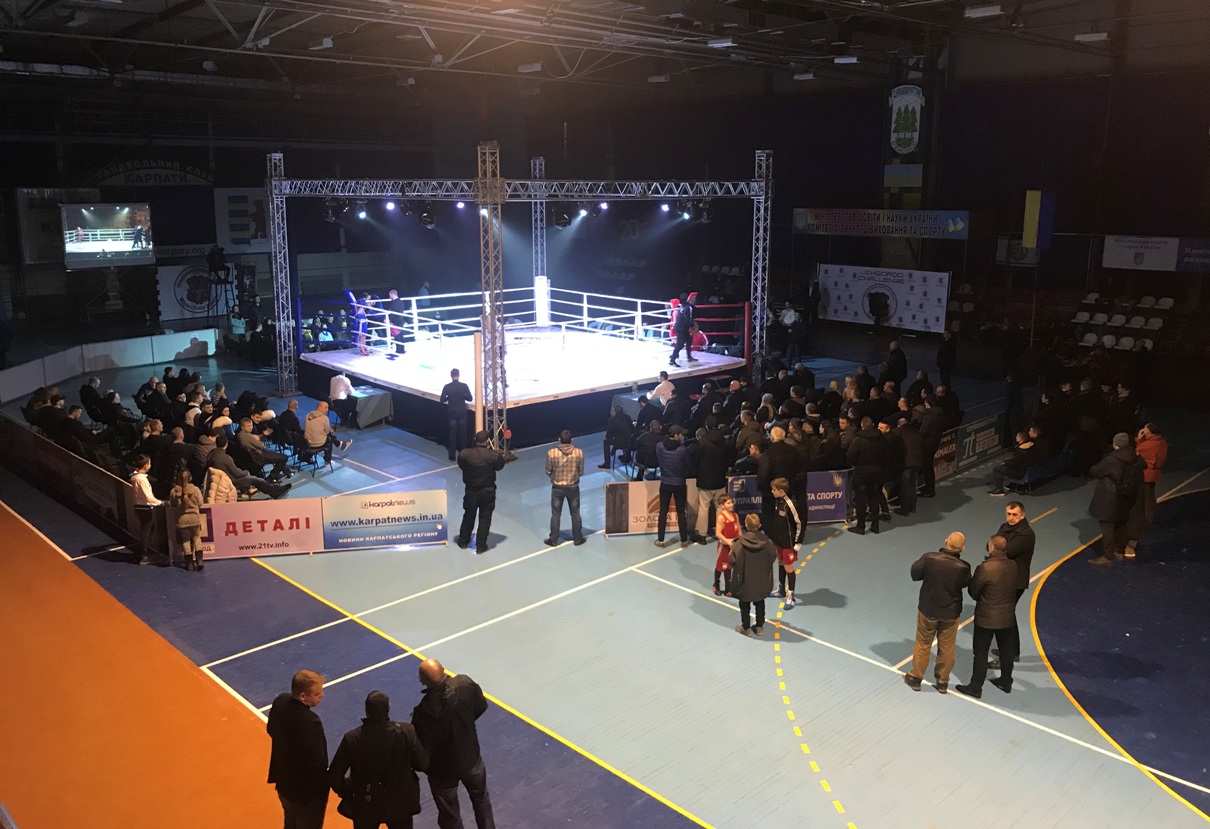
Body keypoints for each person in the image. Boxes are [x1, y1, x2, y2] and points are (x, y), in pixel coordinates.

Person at [411, 659, 496, 829]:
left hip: (442, 772)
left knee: (450, 816)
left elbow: (422, 748)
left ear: (421, 680)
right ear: (443, 670)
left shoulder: (422, 713)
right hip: (470, 759)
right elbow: (480, 706)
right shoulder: (465, 685)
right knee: (481, 801)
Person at [328, 691, 428, 829]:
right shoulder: (406, 731)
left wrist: (349, 793)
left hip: (366, 803)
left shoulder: (352, 738)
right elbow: (422, 764)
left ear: (366, 710)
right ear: (389, 707)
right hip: (400, 803)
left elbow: (334, 776)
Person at [904, 532, 971, 694]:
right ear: (963, 548)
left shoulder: (930, 558)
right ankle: (942, 681)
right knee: (947, 647)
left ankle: (916, 678)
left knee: (923, 643)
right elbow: (965, 584)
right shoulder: (964, 567)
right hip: (951, 612)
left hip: (928, 609)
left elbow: (915, 574)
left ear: (946, 541)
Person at [955, 536, 1019, 699]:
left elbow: (973, 591)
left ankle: (976, 687)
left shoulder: (985, 568)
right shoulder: (1013, 565)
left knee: (981, 652)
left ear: (991, 547)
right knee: (1006, 650)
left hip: (986, 618)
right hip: (1007, 616)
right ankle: (1006, 681)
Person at [267, 669, 329, 829]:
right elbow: (317, 761)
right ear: (303, 696)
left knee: (290, 822)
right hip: (306, 795)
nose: (322, 696)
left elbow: (271, 729)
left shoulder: (280, 701)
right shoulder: (311, 722)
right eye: (317, 694)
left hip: (283, 784)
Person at [1087, 432, 1145, 567]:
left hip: (1109, 498)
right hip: (1126, 496)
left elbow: (1095, 471)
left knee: (1107, 526)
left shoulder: (1112, 460)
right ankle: (1119, 550)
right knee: (1121, 524)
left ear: (1115, 444)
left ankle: (1107, 556)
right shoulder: (1135, 457)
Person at [990, 501, 1036, 670]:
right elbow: (991, 546)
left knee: (1004, 617)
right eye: (1009, 514)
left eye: (1014, 514)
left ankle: (1007, 656)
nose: (1011, 518)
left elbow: (1005, 551)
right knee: (1008, 616)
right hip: (1006, 578)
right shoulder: (1005, 527)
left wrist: (996, 547)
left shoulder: (1026, 535)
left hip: (1015, 582)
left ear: (1022, 515)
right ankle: (1013, 651)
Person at [729, 514, 779, 637]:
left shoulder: (739, 543)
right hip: (762, 578)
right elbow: (773, 557)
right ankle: (759, 626)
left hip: (745, 580)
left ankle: (746, 627)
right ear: (759, 525)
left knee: (744, 603)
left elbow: (732, 560)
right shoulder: (767, 542)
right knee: (760, 601)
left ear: (746, 525)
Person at [457, 430, 506, 554]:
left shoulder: (464, 454)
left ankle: (463, 541)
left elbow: (461, 464)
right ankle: (480, 546)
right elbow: (500, 465)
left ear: (475, 440)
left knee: (468, 516)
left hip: (471, 491)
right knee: (485, 518)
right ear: (487, 441)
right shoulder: (493, 456)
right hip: (487, 491)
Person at [1125, 423, 1168, 559]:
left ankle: (1131, 540)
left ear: (1149, 433)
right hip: (1153, 477)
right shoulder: (1162, 443)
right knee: (1148, 500)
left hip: (1144, 477)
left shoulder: (1147, 445)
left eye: (1145, 432)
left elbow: (1135, 452)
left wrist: (1138, 438)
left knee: (1140, 506)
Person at [764, 478, 803, 608]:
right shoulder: (778, 502)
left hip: (788, 544)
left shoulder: (789, 505)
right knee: (781, 563)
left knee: (789, 568)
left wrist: (798, 542)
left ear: (781, 491)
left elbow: (799, 524)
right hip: (779, 541)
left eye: (774, 490)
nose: (772, 491)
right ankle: (781, 590)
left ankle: (791, 596)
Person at [544, 430, 585, 546]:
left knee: (556, 514)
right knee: (575, 513)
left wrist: (554, 476)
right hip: (573, 487)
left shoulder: (551, 453)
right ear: (572, 440)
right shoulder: (579, 452)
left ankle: (553, 540)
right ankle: (578, 538)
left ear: (559, 440)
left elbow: (548, 471)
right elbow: (581, 472)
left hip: (557, 488)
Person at [654, 425, 692, 548]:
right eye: (681, 434)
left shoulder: (659, 446)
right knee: (681, 512)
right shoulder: (682, 450)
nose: (682, 436)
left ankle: (660, 539)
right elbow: (688, 465)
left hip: (665, 483)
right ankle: (684, 540)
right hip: (679, 484)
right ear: (676, 436)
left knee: (663, 511)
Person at [847, 416, 886, 535]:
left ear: (862, 426)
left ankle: (861, 526)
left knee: (861, 500)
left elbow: (851, 456)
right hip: (877, 470)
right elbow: (886, 453)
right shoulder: (881, 438)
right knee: (874, 497)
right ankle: (875, 525)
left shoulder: (858, 440)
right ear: (873, 424)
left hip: (861, 471)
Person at [693, 425, 732, 541]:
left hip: (705, 481)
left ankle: (702, 535)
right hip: (720, 480)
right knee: (720, 507)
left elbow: (696, 460)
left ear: (706, 426)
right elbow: (729, 460)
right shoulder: (724, 443)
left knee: (703, 508)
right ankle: (721, 533)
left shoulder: (702, 443)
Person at [130, 453, 163, 566]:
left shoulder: (135, 477)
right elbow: (148, 497)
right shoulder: (141, 479)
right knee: (146, 530)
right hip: (144, 507)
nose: (150, 465)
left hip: (139, 506)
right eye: (149, 463)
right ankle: (143, 555)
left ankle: (143, 550)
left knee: (148, 529)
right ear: (145, 465)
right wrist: (161, 503)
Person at [169, 469, 205, 572]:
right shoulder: (196, 490)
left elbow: (172, 505)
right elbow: (200, 503)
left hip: (182, 521)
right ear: (190, 478)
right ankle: (199, 561)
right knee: (197, 539)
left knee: (186, 542)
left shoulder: (174, 492)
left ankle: (189, 564)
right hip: (195, 519)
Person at [305, 401, 353, 465]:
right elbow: (327, 432)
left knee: (327, 435)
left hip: (307, 443)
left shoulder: (308, 415)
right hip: (317, 444)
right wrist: (330, 430)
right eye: (326, 408)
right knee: (329, 439)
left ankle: (340, 444)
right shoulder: (324, 418)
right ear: (319, 407)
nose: (327, 410)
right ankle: (327, 461)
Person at [440, 369, 473, 461]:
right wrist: (463, 396)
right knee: (463, 434)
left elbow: (442, 400)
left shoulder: (447, 387)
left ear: (451, 376)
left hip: (452, 412)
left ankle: (452, 455)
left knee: (452, 434)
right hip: (461, 412)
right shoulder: (464, 386)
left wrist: (449, 397)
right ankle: (464, 454)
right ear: (459, 375)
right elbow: (470, 398)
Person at [713, 493, 740, 596]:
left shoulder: (735, 515)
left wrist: (740, 541)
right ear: (722, 505)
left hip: (734, 545)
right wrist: (728, 541)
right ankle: (716, 584)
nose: (731, 504)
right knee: (721, 566)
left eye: (731, 502)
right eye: (728, 503)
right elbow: (718, 533)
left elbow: (739, 531)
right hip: (724, 546)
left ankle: (728, 588)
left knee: (729, 566)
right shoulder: (721, 517)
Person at [600, 405, 633, 470]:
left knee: (606, 442)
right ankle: (628, 457)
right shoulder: (628, 417)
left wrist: (608, 436)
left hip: (620, 442)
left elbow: (609, 433)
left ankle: (607, 464)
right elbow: (631, 429)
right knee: (626, 437)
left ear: (615, 411)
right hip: (631, 441)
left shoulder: (613, 419)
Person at [669, 292, 697, 367]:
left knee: (689, 340)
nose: (696, 301)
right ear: (692, 299)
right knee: (680, 344)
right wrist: (693, 326)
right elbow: (687, 319)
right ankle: (672, 360)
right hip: (681, 327)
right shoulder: (688, 308)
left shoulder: (684, 305)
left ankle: (689, 357)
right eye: (694, 299)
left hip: (682, 327)